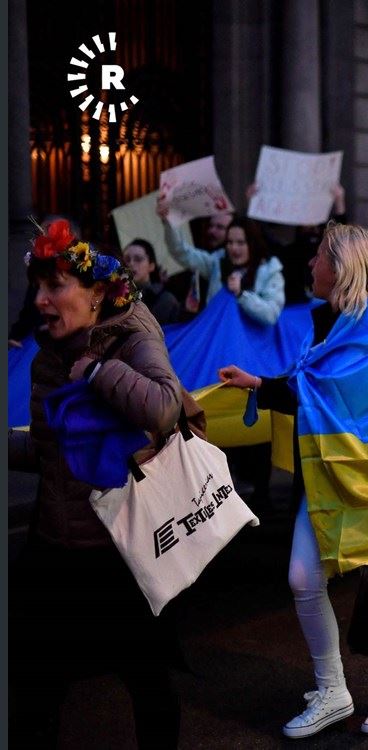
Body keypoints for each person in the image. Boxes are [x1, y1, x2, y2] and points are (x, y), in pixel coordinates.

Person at [218, 224, 368, 739]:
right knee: (303, 578)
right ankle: (333, 691)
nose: (309, 266)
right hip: (328, 473)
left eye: (318, 258)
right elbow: (312, 388)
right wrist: (261, 385)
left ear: (343, 266)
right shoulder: (326, 322)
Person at [10, 220, 204, 748]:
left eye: (56, 287)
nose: (42, 301)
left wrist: (96, 372)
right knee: (29, 680)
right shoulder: (48, 351)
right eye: (38, 287)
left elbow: (164, 407)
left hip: (118, 546)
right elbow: (54, 451)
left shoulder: (131, 335)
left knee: (146, 680)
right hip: (53, 543)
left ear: (96, 293)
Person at [158, 202, 286, 326]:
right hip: (216, 339)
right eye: (230, 242)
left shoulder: (270, 271)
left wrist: (242, 294)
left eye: (240, 243)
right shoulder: (217, 262)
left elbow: (271, 315)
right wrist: (169, 222)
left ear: (252, 244)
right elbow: (181, 252)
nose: (234, 248)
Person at [121, 238, 182, 325]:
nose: (131, 264)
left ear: (151, 266)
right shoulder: (117, 299)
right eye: (127, 260)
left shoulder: (166, 300)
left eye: (138, 259)